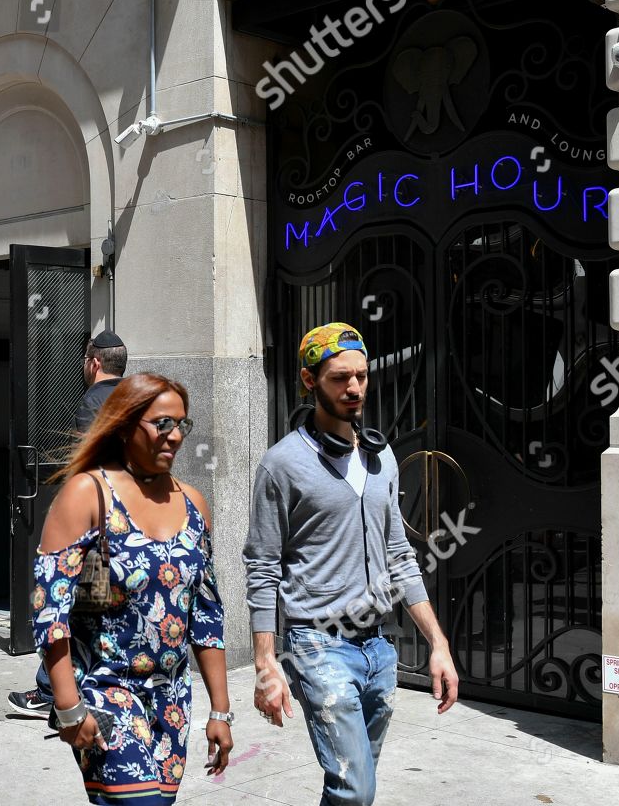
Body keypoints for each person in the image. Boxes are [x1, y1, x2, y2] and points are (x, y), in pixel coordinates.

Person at [243, 322, 459, 806]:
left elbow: (400, 557)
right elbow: (261, 565)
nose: (355, 387)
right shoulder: (282, 465)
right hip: (318, 645)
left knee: (352, 786)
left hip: (378, 648)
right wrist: (265, 662)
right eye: (340, 377)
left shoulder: (383, 458)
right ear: (308, 380)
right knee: (356, 788)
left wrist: (438, 644)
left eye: (361, 375)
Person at [34, 372, 232, 804]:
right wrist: (68, 706)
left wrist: (221, 710)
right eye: (162, 423)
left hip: (172, 699)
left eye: (182, 424)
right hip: (105, 691)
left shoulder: (194, 503)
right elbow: (50, 610)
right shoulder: (87, 494)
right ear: (124, 426)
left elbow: (206, 614)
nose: (175, 435)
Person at [10, 330, 129, 717]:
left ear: (94, 363)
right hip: (133, 521)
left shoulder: (91, 401)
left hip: (96, 524)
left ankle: (50, 688)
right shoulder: (136, 398)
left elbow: (86, 465)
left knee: (68, 604)